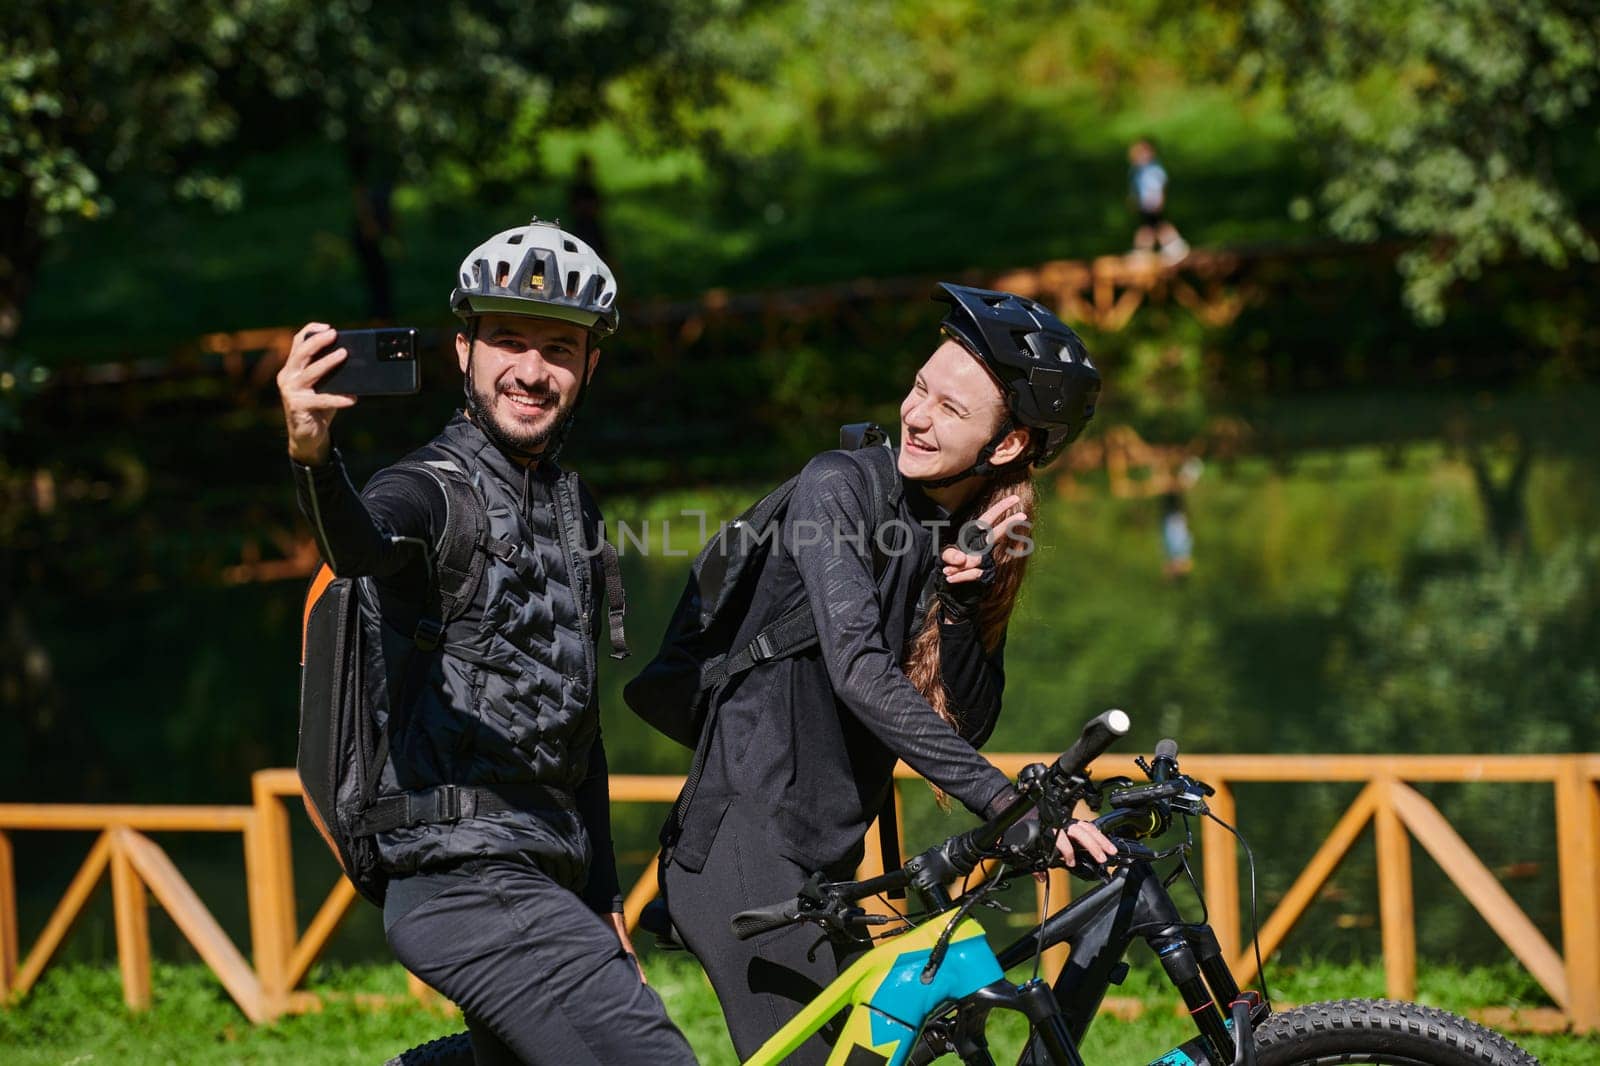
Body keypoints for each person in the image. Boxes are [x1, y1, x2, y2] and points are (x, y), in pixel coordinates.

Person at [659, 284, 1119, 1064]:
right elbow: (861, 674)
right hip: (744, 855)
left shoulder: (957, 526)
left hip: (829, 866)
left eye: (949, 408)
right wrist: (1007, 804)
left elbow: (962, 726)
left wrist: (965, 600)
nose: (916, 414)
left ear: (1006, 446)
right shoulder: (838, 484)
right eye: (919, 388)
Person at [275, 219, 697, 1066]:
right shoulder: (430, 490)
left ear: (591, 364)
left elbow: (577, 727)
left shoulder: (572, 506)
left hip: (545, 880)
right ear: (463, 348)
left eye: (560, 348)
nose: (533, 371)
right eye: (508, 339)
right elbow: (358, 546)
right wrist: (315, 457)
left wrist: (605, 893)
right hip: (461, 876)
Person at [1128, 138, 1189, 262]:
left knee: (1158, 225)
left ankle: (1175, 246)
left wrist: (1158, 200)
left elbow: (1158, 186)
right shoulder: (1137, 171)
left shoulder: (1153, 169)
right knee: (1149, 227)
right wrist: (1134, 199)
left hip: (1152, 203)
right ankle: (1144, 251)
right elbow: (1137, 188)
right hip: (1145, 204)